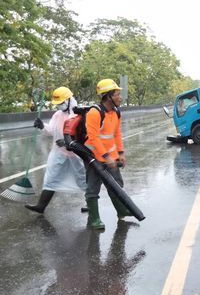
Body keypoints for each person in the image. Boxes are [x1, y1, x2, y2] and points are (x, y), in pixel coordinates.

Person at [25, 87, 87, 214]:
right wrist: (42, 126)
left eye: (61, 103)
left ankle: (91, 204)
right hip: (58, 152)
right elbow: (52, 131)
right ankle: (41, 206)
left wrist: (69, 143)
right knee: (51, 177)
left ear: (70, 100)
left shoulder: (79, 115)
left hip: (76, 153)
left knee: (83, 178)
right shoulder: (58, 115)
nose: (59, 106)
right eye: (57, 104)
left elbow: (84, 136)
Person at [84, 79, 131, 230]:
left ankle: (121, 211)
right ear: (108, 96)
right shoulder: (94, 113)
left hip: (110, 156)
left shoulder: (116, 111)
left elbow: (116, 133)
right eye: (117, 94)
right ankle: (94, 219)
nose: (120, 97)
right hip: (93, 157)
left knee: (117, 185)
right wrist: (106, 157)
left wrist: (121, 153)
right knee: (93, 188)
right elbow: (94, 138)